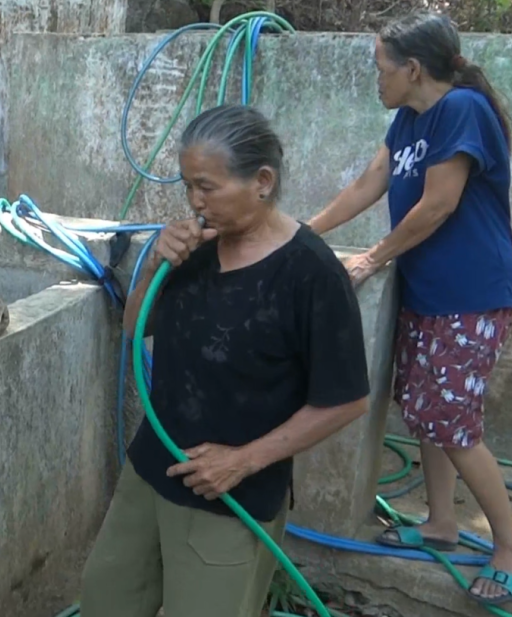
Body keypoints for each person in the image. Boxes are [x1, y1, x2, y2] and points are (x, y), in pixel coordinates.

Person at [79, 104, 371, 617]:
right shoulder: (194, 252)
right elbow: (133, 326)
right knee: (107, 597)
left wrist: (242, 461)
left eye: (207, 188)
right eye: (189, 186)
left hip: (232, 496)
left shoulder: (310, 274)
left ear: (262, 181)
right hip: (152, 470)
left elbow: (345, 401)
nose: (194, 202)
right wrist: (155, 263)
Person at [307, 11, 512, 606]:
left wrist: (373, 258)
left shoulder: (462, 110)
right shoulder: (408, 119)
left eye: (381, 68)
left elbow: (438, 205)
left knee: (453, 421)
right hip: (429, 291)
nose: (375, 79)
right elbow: (367, 185)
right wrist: (302, 236)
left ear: (412, 69)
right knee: (424, 409)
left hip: (470, 294)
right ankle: (439, 521)